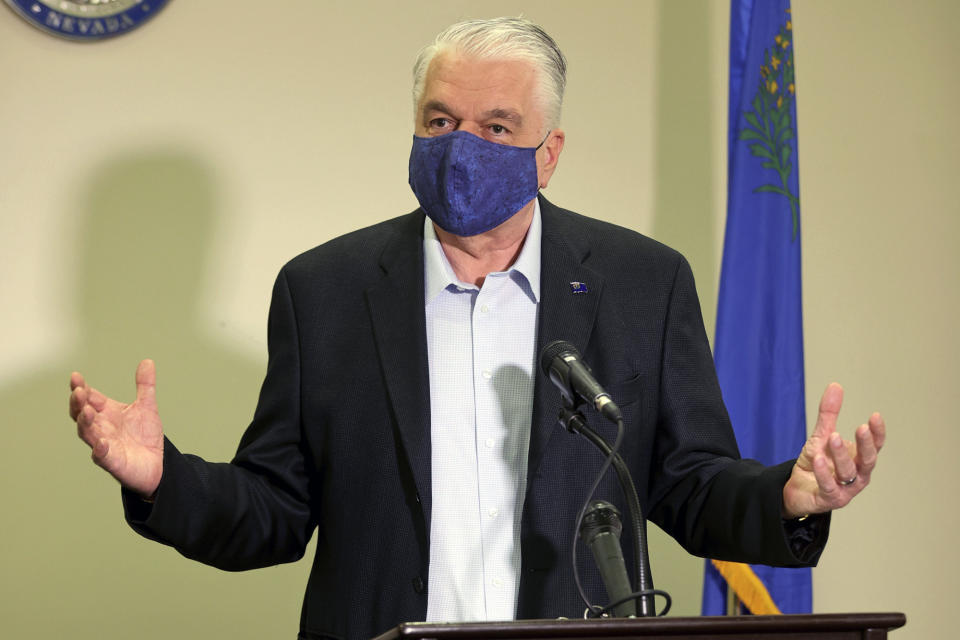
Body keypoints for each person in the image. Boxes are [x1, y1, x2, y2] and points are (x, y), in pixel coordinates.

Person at [68, 16, 885, 640]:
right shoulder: (325, 291)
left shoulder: (643, 283)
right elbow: (276, 510)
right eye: (439, 120)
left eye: (496, 127)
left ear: (548, 151)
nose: (462, 147)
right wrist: (160, 479)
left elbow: (688, 484)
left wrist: (788, 498)